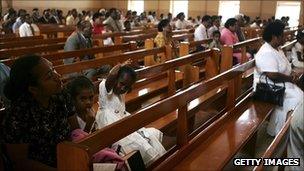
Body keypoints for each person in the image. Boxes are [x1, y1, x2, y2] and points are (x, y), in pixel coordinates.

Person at [2, 55, 79, 168]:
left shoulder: (61, 95)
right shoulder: (18, 115)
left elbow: (75, 132)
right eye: (49, 76)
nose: (57, 76)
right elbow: (20, 162)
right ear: (34, 89)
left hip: (67, 159)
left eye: (53, 69)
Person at [95, 62, 166, 166]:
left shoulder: (122, 92)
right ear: (115, 79)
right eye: (121, 83)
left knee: (150, 137)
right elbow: (112, 74)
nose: (123, 88)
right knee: (141, 145)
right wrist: (121, 65)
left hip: (123, 123)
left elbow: (128, 82)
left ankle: (162, 163)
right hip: (111, 129)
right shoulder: (105, 88)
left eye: (126, 86)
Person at [253, 21, 303, 136]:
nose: (284, 38)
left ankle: (290, 130)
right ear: (274, 37)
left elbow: (285, 66)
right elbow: (272, 75)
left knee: (301, 97)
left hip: (282, 84)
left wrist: (293, 72)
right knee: (297, 101)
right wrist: (289, 78)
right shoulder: (266, 51)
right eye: (282, 35)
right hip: (270, 87)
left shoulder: (278, 49)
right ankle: (283, 133)